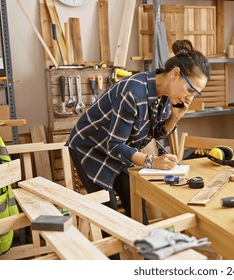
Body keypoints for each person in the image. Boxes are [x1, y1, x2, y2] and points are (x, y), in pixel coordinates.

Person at [66, 39, 210, 218]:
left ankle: (139, 244)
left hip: (120, 149)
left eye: (195, 94)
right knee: (108, 218)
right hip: (91, 147)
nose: (189, 98)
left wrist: (175, 117)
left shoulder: (166, 96)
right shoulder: (133, 92)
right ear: (175, 74)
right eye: (190, 90)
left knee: (138, 212)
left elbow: (155, 133)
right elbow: (114, 145)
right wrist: (152, 161)